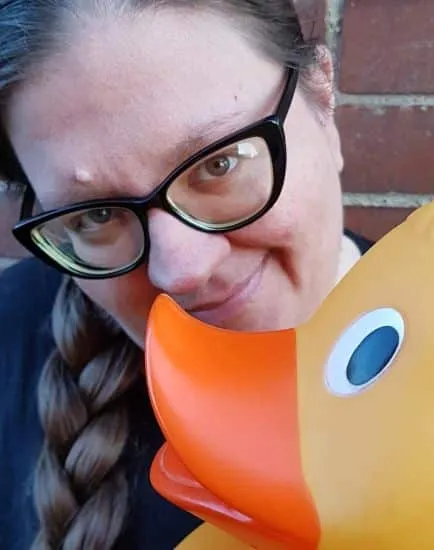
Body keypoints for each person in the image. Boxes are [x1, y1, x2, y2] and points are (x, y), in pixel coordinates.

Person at [0, 1, 373, 548]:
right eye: (95, 215)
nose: (181, 270)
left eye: (219, 164)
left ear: (322, 96)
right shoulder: (10, 345)